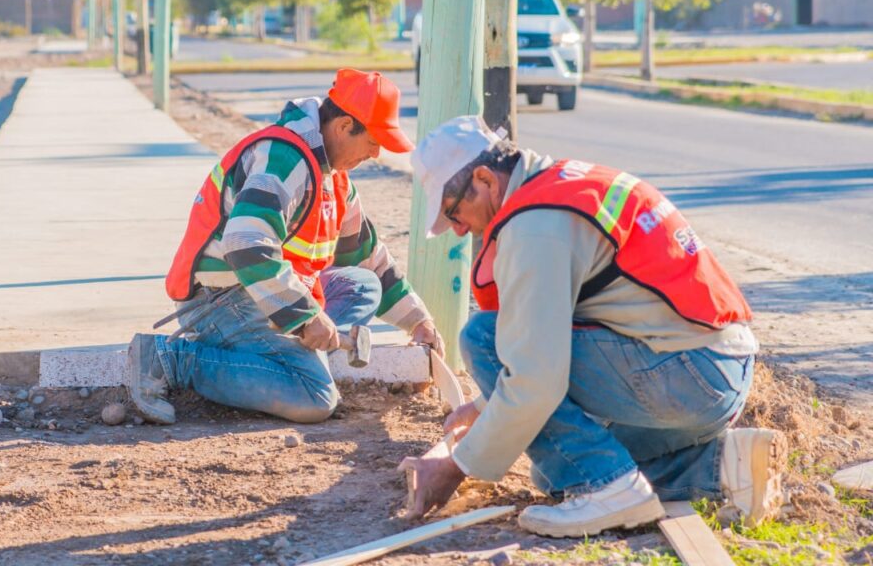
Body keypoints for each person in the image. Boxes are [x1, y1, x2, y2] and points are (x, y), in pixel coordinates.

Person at [398, 115, 785, 537]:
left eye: (453, 211)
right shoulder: (560, 182)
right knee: (559, 472)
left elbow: (535, 380)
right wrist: (482, 408)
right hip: (715, 370)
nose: (458, 229)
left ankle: (611, 491)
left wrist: (454, 468)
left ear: (485, 179)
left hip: (686, 375)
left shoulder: (535, 227)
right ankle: (723, 466)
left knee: (483, 338)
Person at [127, 69, 444, 425]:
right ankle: (169, 360)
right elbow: (246, 243)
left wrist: (419, 321)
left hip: (258, 294)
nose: (376, 153)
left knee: (362, 284)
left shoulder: (335, 179)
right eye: (373, 140)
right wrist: (304, 316)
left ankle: (280, 356)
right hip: (220, 300)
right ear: (343, 126)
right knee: (314, 397)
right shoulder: (284, 158)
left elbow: (370, 260)